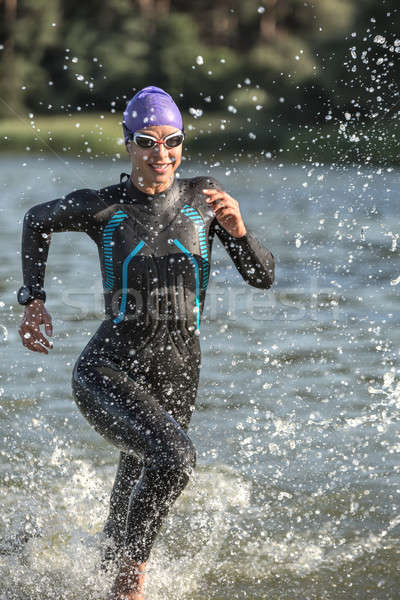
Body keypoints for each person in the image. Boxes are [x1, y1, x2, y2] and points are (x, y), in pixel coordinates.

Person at [18, 86, 275, 600]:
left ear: (183, 142)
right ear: (129, 144)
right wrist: (34, 299)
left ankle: (102, 575)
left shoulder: (206, 199)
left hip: (178, 373)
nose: (161, 154)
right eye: (147, 141)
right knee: (176, 460)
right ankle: (130, 578)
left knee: (139, 480)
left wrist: (241, 232)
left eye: (172, 141)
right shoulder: (105, 206)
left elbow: (261, 278)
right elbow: (36, 220)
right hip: (109, 370)